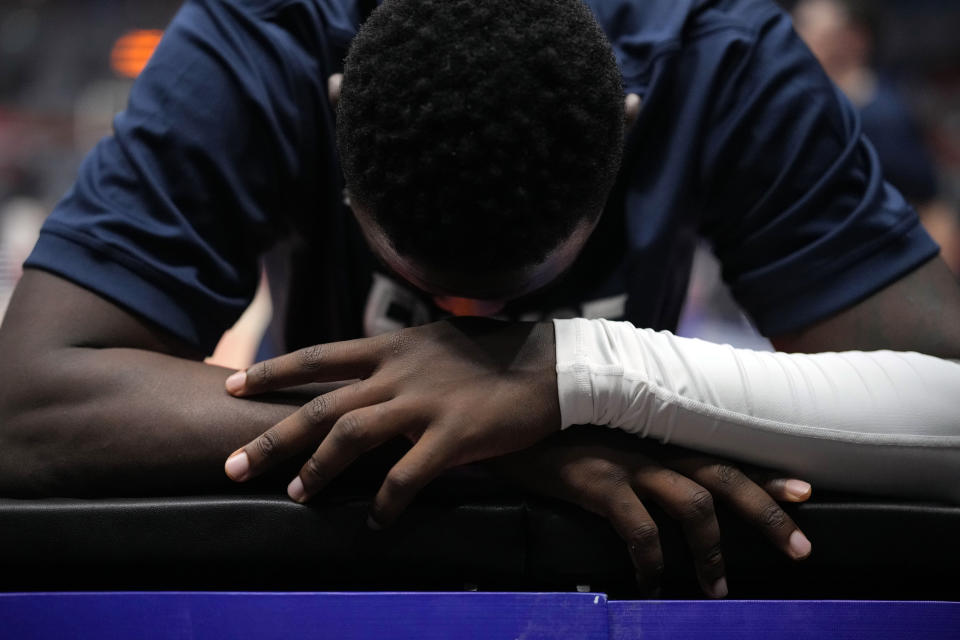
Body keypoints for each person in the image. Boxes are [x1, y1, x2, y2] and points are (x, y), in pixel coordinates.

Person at [1, 0, 959, 600]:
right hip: (330, 570)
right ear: (338, 118)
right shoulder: (262, 39)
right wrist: (509, 437)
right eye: (427, 286)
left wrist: (583, 376)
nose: (465, 332)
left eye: (511, 304)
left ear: (624, 140)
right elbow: (28, 411)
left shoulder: (721, 56)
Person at [792, 0, 960, 273]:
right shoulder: (804, 107)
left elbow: (931, 207)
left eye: (814, 31)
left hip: (880, 275)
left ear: (854, 39)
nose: (800, 39)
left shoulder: (884, 115)